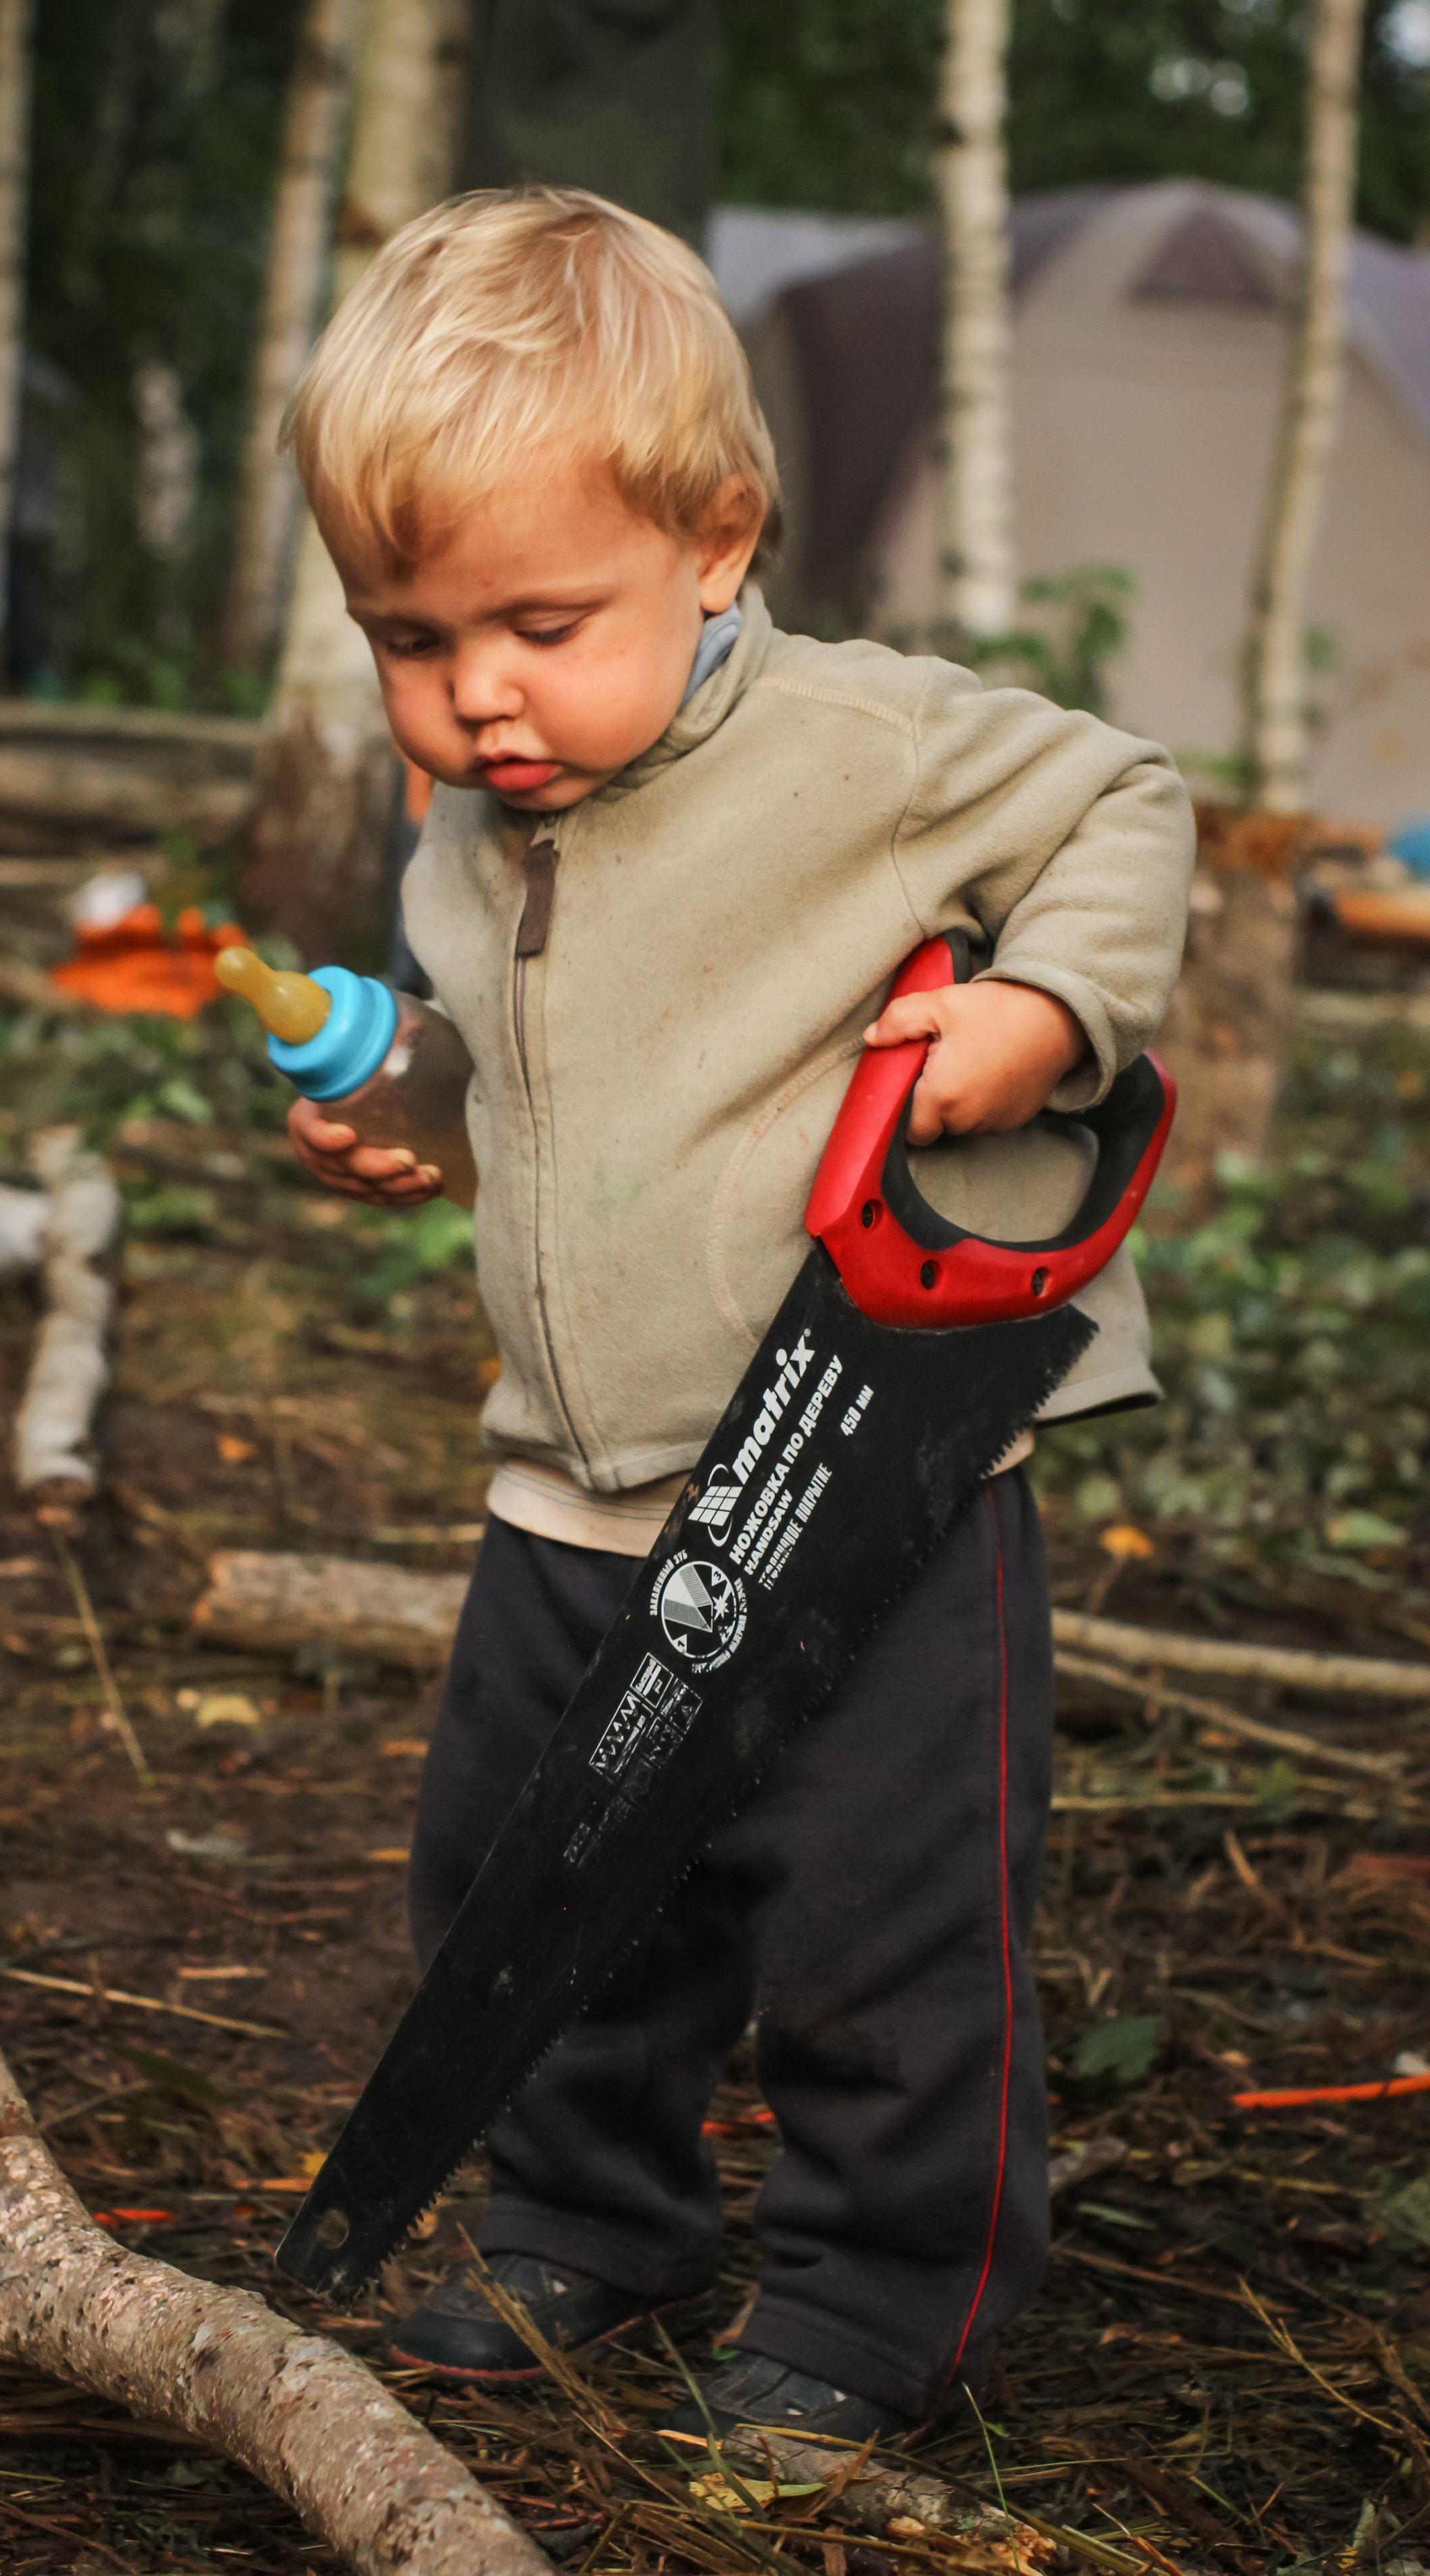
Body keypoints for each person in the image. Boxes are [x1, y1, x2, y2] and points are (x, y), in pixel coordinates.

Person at [283, 186, 1193, 2451]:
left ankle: (882, 2300)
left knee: (880, 1917)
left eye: (539, 624)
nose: (477, 695)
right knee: (531, 1876)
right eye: (410, 637)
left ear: (715, 539)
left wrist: (1044, 1012)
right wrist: (408, 1106)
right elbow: (524, 1075)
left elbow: (1125, 797)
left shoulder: (859, 745)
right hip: (574, 1491)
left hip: (869, 1482)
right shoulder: (472, 829)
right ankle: (586, 2214)